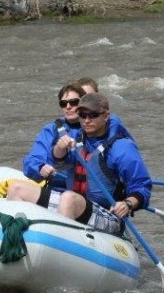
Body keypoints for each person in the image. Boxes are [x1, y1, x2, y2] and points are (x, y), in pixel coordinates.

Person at [52, 93, 152, 235]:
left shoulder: (122, 147)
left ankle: (63, 248)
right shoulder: (76, 139)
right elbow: (58, 165)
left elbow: (143, 187)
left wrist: (127, 204)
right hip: (76, 206)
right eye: (82, 115)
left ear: (105, 116)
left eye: (92, 115)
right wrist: (59, 148)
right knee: (19, 189)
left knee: (68, 198)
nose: (86, 120)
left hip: (108, 215)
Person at [4, 82, 87, 209]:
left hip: (85, 198)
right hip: (58, 192)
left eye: (73, 102)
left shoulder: (96, 128)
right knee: (15, 188)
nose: (68, 107)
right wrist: (40, 167)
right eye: (63, 103)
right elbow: (31, 161)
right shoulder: (52, 130)